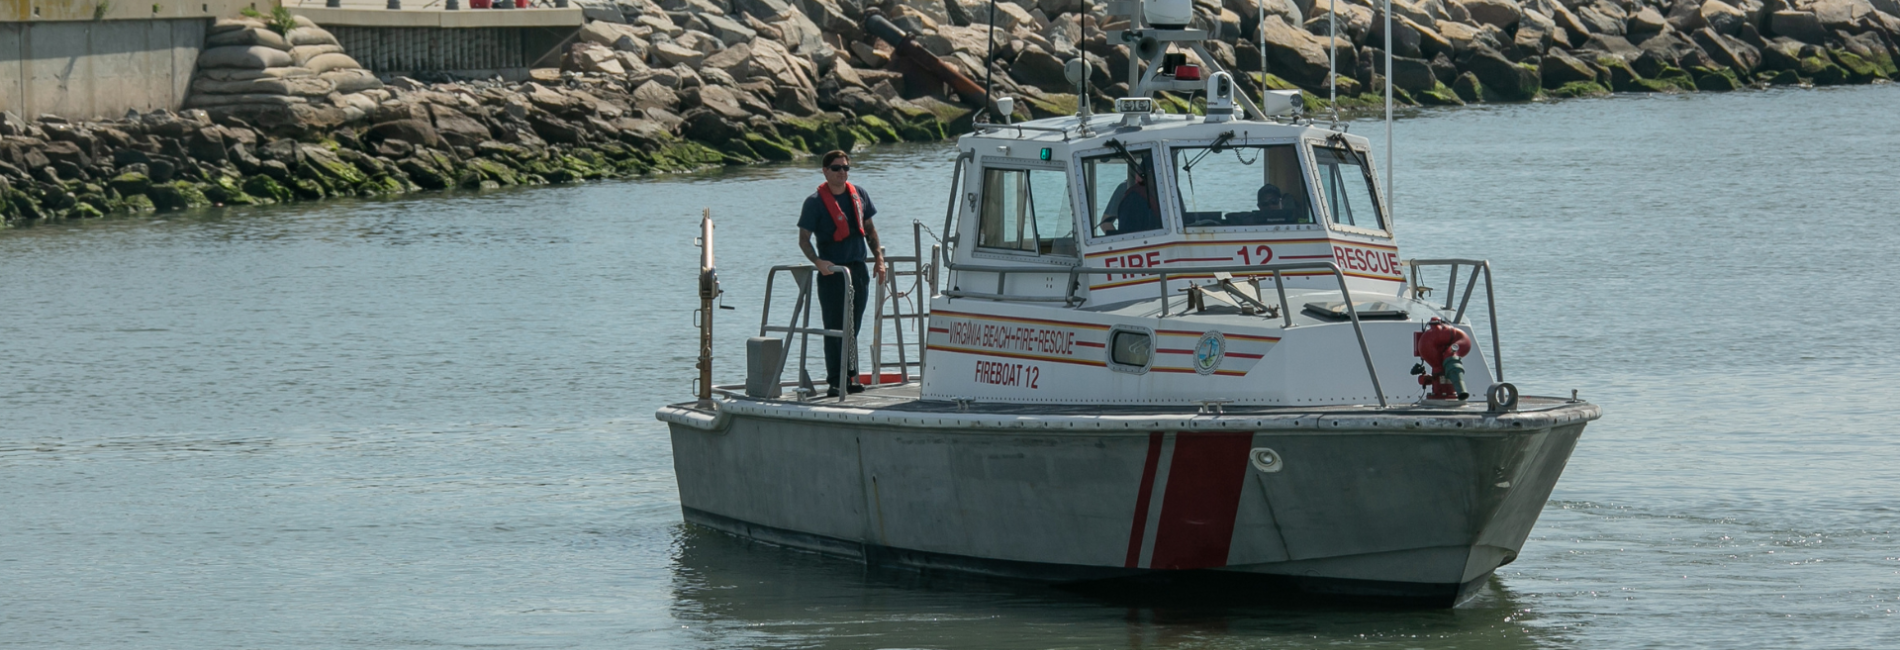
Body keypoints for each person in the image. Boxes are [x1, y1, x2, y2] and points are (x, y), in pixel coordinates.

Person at [798, 150, 888, 397]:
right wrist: (817, 262)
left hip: (858, 269)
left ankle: (850, 376)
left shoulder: (859, 195)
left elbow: (870, 230)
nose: (842, 173)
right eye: (836, 168)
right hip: (833, 273)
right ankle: (835, 381)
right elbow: (804, 239)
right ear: (825, 171)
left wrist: (879, 260)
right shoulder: (814, 203)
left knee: (853, 326)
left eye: (846, 168)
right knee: (835, 327)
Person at [1413, 317, 1474, 399]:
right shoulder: (1431, 336)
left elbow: (1462, 341)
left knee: (1441, 365)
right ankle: (1460, 389)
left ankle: (1458, 390)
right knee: (1444, 365)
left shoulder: (1432, 336)